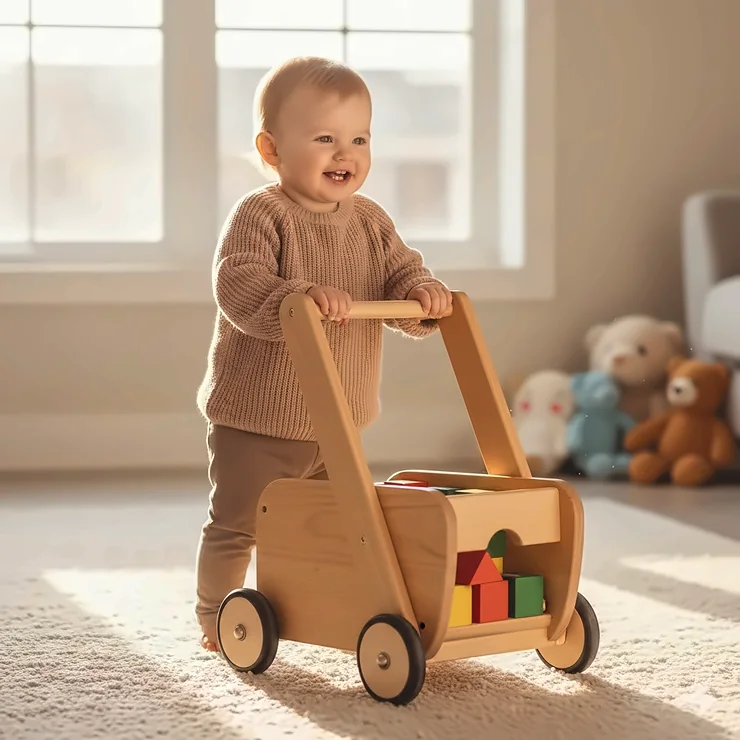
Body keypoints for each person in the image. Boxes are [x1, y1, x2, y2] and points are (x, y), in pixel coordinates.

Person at [194, 56, 453, 651]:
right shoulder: (261, 215)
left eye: (359, 138)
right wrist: (300, 296)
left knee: (346, 527)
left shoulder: (370, 221)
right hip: (258, 419)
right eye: (325, 139)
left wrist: (420, 295)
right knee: (238, 524)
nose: (346, 154)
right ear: (272, 148)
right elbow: (240, 283)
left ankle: (333, 606)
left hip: (340, 419)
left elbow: (399, 272)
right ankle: (215, 617)